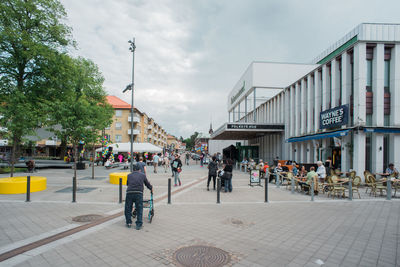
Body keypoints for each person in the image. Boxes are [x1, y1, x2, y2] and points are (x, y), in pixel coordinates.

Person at [124, 164, 153, 230]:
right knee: (139, 208)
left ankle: (128, 222)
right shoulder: (143, 175)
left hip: (129, 193)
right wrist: (151, 188)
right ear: (139, 169)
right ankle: (138, 224)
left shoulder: (129, 175)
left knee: (128, 208)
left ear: (133, 169)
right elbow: (147, 184)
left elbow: (127, 184)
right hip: (138, 193)